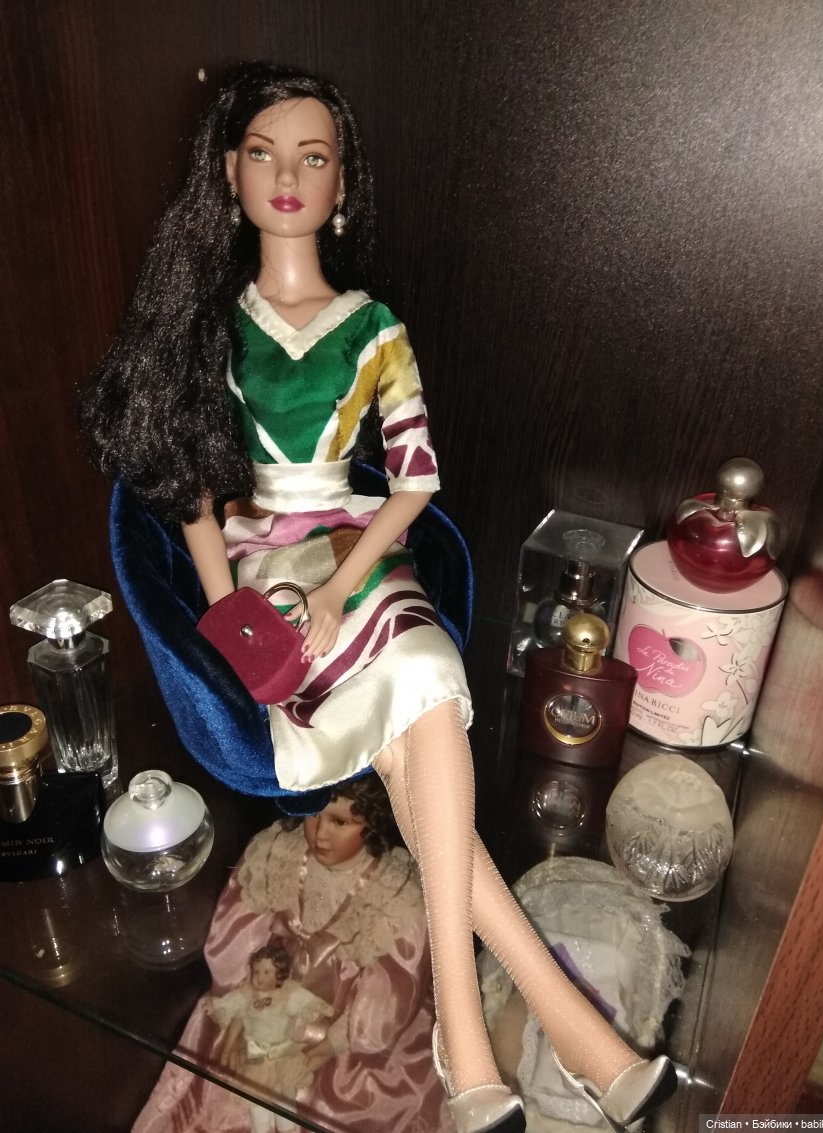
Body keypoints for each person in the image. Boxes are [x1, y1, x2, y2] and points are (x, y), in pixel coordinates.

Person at [82, 63, 676, 1133]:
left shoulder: (373, 327)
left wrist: (342, 588)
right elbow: (192, 495)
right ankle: (552, 1029)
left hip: (354, 551)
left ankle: (465, 1032)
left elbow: (414, 481)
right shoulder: (209, 327)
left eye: (312, 156)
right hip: (263, 559)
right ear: (229, 174)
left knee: (423, 670)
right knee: (420, 732)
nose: (288, 175)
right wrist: (234, 623)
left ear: (343, 182)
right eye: (263, 153)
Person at [132, 775, 453, 1133]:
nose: (320, 834)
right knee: (222, 1086)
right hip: (265, 988)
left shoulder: (394, 892)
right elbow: (234, 939)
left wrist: (330, 1044)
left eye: (340, 822)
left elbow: (391, 993)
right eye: (313, 814)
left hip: (345, 1016)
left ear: (373, 821)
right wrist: (243, 1011)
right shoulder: (278, 852)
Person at [205, 943, 332, 1132]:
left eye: (266, 972)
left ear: (279, 974)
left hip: (283, 1057)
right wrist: (217, 1007)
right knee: (257, 1100)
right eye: (256, 971)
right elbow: (232, 1006)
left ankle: (287, 1129)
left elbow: (305, 1001)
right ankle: (261, 1129)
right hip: (256, 1059)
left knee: (285, 1100)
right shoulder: (247, 994)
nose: (259, 977)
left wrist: (319, 1007)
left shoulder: (287, 993)